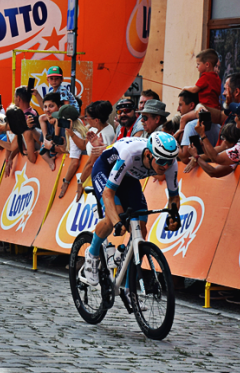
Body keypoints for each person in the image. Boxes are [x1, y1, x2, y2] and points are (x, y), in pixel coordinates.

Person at [82, 133, 181, 293]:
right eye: (161, 161)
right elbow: (108, 193)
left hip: (129, 178)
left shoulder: (169, 163)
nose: (166, 167)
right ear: (149, 154)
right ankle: (92, 254)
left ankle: (129, 291)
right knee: (113, 216)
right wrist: (117, 222)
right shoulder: (131, 153)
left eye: (170, 162)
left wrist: (173, 215)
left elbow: (174, 196)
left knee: (140, 231)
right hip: (105, 170)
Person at [189, 101, 240, 177]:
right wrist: (203, 145)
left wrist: (202, 135)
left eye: (235, 116)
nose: (234, 119)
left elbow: (216, 158)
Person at [75, 101, 116, 201]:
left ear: (96, 120)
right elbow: (84, 146)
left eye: (87, 117)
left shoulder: (105, 135)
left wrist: (80, 182)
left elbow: (91, 162)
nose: (85, 119)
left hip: (100, 178)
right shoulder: (94, 129)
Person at [176, 90, 220, 162]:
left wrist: (173, 142)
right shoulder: (217, 125)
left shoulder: (191, 126)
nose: (178, 109)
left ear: (191, 105)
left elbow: (185, 158)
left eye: (180, 105)